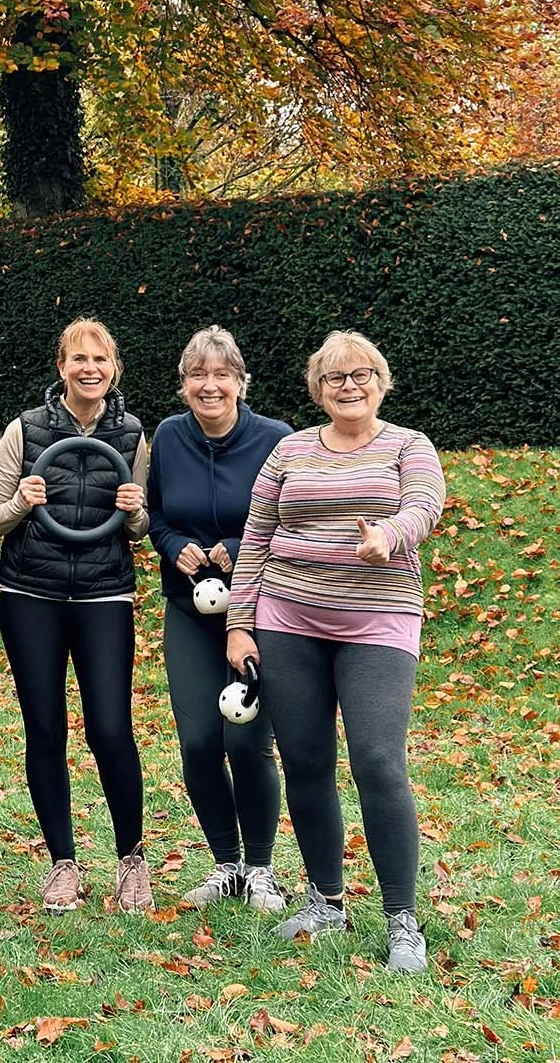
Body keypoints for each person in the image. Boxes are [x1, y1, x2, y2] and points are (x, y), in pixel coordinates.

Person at [227, 330, 446, 974]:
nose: (349, 387)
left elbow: (425, 505)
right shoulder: (290, 450)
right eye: (334, 378)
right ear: (316, 388)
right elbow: (257, 532)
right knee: (305, 759)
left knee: (378, 760)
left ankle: (402, 917)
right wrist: (241, 623)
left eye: (361, 375)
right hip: (287, 617)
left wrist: (390, 536)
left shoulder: (410, 445)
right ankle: (327, 899)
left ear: (381, 381)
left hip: (379, 619)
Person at [0, 317, 153, 914]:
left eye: (100, 360)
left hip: (104, 592)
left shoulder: (132, 433)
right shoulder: (24, 430)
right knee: (45, 729)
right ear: (61, 367)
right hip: (32, 593)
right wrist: (22, 504)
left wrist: (133, 512)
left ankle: (132, 860)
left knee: (110, 728)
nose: (89, 370)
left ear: (114, 369)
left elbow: (140, 525)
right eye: (78, 359)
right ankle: (63, 864)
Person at [148, 325, 292, 912]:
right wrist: (172, 542)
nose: (210, 386)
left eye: (221, 374)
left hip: (258, 609)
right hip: (188, 610)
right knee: (199, 742)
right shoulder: (169, 437)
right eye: (197, 375)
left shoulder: (275, 440)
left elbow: (288, 519)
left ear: (240, 380)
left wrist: (240, 542)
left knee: (247, 739)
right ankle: (226, 864)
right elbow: (155, 513)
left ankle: (260, 866)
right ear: (184, 385)